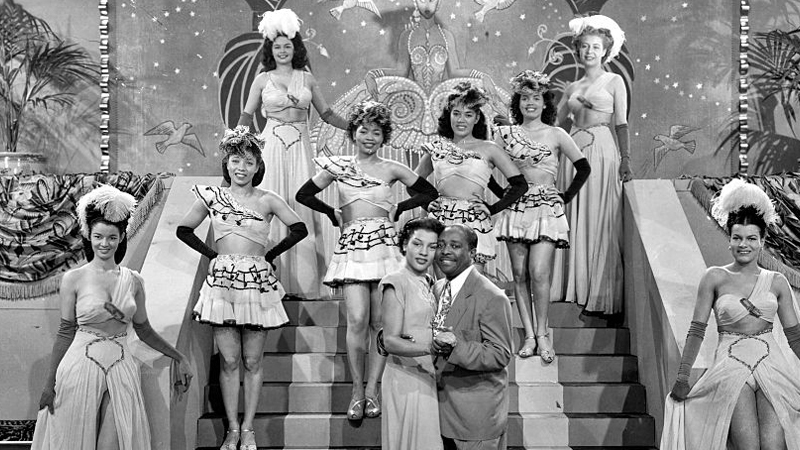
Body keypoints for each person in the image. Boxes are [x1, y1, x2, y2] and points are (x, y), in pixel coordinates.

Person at [296, 101, 438, 420]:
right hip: (353, 248)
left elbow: (428, 193)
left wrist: (399, 209)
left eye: (376, 132)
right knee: (357, 318)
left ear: (384, 136)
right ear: (354, 133)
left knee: (379, 322)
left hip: (384, 248)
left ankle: (373, 389)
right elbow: (303, 195)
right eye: (364, 131)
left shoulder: (392, 168)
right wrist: (332, 212)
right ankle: (357, 390)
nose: (369, 137)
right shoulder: (339, 166)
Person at [176, 126, 308, 450]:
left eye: (249, 162)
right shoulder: (212, 197)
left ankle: (248, 428)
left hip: (256, 284)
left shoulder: (268, 199)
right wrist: (213, 256)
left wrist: (270, 256)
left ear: (258, 166)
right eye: (236, 160)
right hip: (223, 284)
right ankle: (232, 429)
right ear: (227, 163)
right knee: (230, 360)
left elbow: (299, 228)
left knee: (252, 360)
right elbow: (184, 229)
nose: (242, 167)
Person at [32, 185, 193, 450]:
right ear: (89, 236)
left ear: (121, 238)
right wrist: (49, 384)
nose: (104, 244)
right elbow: (65, 332)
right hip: (80, 365)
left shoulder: (134, 280)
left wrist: (179, 356)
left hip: (121, 366)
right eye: (98, 237)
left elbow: (144, 329)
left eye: (111, 237)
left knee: (114, 443)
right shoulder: (73, 279)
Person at [661, 179, 800, 450]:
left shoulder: (777, 281)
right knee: (747, 446)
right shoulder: (714, 277)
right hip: (731, 366)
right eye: (737, 238)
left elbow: (795, 338)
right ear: (730, 240)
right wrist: (682, 377)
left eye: (751, 238)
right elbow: (697, 331)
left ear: (762, 241)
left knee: (773, 445)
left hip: (773, 366)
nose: (743, 244)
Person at [237, 8, 347, 299]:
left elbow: (327, 114)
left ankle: (304, 286)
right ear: (270, 50)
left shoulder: (307, 78)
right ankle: (268, 281)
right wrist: (235, 145)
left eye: (287, 46)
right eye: (278, 47)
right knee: (270, 203)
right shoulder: (262, 80)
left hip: (300, 147)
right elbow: (246, 117)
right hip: (271, 146)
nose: (283, 51)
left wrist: (355, 126)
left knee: (300, 206)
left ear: (295, 48)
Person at [493, 70, 591, 362]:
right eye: (524, 98)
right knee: (519, 274)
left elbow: (583, 167)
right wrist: (503, 196)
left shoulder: (556, 134)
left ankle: (543, 333)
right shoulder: (506, 135)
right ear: (517, 102)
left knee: (538, 272)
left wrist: (565, 196)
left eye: (535, 97)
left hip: (546, 208)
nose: (530, 103)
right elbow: (486, 166)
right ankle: (529, 336)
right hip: (516, 209)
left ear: (545, 102)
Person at [552, 14, 630, 314]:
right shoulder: (571, 87)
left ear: (605, 50)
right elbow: (554, 125)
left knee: (597, 215)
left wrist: (626, 159)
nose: (589, 52)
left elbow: (621, 123)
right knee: (571, 215)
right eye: (584, 46)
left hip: (600, 151)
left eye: (595, 47)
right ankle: (571, 287)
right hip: (573, 152)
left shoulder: (614, 81)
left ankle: (594, 291)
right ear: (578, 49)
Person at [414, 82, 527, 276]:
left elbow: (520, 185)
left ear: (477, 118)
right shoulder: (437, 148)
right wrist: (427, 202)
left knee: (471, 287)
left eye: (468, 114)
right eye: (456, 113)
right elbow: (412, 182)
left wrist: (493, 208)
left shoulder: (489, 148)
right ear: (449, 115)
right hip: (441, 220)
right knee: (444, 288)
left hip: (474, 222)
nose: (461, 120)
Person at [432, 224, 514, 449]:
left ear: (473, 253)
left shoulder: (492, 296)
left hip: (475, 419)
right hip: (440, 412)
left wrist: (455, 348)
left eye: (455, 246)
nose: (445, 251)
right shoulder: (438, 288)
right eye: (441, 245)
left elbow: (500, 354)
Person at [380, 217, 445, 450]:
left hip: (426, 373)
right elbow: (390, 341)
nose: (424, 252)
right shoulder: (395, 281)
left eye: (432, 246)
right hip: (405, 377)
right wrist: (431, 348)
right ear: (404, 244)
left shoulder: (428, 281)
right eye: (417, 244)